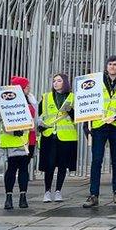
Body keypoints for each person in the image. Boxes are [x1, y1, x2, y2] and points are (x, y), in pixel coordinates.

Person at [83, 55, 116, 208]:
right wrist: (87, 127)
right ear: (106, 66)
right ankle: (93, 195)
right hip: (99, 125)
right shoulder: (96, 82)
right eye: (110, 64)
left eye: (115, 64)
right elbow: (87, 104)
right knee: (96, 160)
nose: (112, 67)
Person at [40, 73, 76, 203]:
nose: (55, 83)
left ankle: (58, 191)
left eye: (59, 81)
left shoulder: (72, 97)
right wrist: (40, 126)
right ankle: (47, 191)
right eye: (54, 81)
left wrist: (71, 111)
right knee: (49, 165)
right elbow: (40, 115)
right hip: (49, 135)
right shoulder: (46, 97)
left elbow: (78, 117)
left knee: (62, 165)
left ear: (65, 82)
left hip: (66, 136)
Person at [1, 76, 36, 210]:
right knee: (12, 168)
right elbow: (4, 120)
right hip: (12, 139)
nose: (29, 88)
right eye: (27, 86)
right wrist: (13, 130)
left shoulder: (31, 100)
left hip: (28, 138)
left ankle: (23, 196)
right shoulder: (8, 101)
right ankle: (8, 197)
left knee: (23, 168)